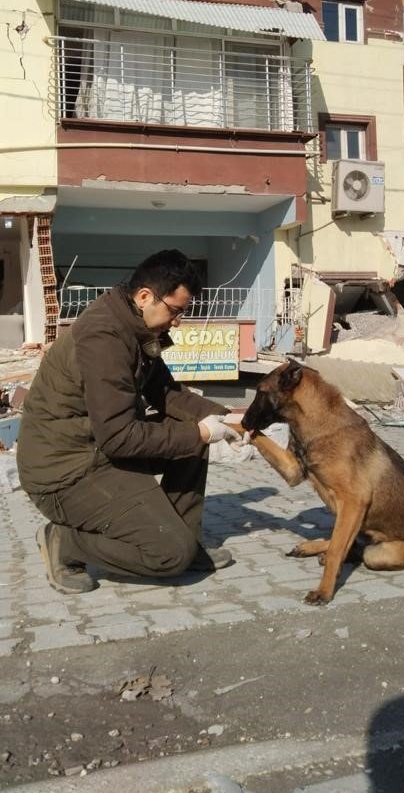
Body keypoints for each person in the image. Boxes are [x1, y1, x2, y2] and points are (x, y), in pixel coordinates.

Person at [17, 249, 242, 594]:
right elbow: (119, 437)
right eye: (176, 310)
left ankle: (185, 537)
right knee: (169, 555)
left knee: (193, 443)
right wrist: (198, 431)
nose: (178, 321)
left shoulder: (133, 328)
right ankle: (64, 542)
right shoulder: (104, 339)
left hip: (98, 452)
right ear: (144, 296)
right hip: (64, 473)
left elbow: (165, 393)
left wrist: (228, 419)